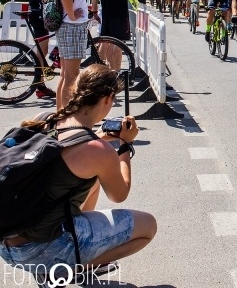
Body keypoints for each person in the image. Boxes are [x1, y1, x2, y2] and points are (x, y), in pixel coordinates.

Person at [0, 65, 156, 283]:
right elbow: (119, 194)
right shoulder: (96, 151)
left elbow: (70, 152)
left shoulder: (45, 119)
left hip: (7, 244)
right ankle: (67, 270)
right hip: (42, 251)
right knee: (148, 226)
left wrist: (98, 137)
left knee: (90, 181)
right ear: (108, 99)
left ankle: (64, 260)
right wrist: (124, 146)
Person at [53, 0, 92, 112]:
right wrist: (72, 14)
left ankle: (60, 113)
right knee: (71, 76)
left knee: (65, 75)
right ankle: (67, 116)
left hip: (66, 27)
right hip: (72, 27)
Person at [21, 0, 57, 98]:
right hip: (42, 14)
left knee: (41, 50)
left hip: (34, 11)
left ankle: (41, 83)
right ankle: (40, 84)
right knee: (42, 51)